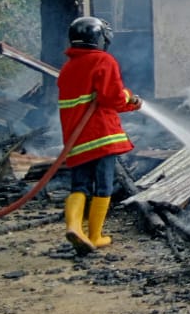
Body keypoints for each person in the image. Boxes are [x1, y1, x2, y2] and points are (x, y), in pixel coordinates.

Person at [57, 16, 142, 255]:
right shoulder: (103, 61)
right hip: (102, 137)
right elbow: (111, 98)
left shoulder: (67, 68)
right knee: (103, 186)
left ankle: (74, 226)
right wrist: (130, 98)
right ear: (99, 39)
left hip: (76, 140)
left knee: (80, 186)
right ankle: (95, 235)